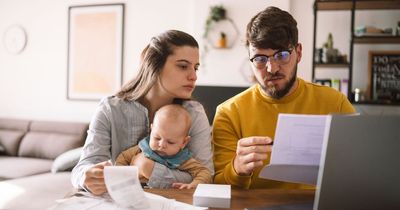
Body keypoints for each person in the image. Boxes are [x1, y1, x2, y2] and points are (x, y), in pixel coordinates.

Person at [212, 6, 356, 189]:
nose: (272, 68)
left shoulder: (335, 103)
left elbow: (360, 168)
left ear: (299, 53)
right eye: (260, 59)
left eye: (281, 55)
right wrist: (237, 168)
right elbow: (218, 190)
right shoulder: (228, 113)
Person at [71, 30, 214, 195]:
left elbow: (206, 175)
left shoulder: (194, 114)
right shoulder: (110, 109)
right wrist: (86, 177)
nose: (194, 76)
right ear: (155, 66)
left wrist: (149, 169)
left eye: (195, 68)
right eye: (183, 66)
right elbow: (82, 168)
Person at [115, 104, 212, 189]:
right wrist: (120, 177)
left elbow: (204, 172)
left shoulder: (182, 159)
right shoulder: (143, 147)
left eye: (170, 142)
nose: (161, 145)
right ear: (151, 130)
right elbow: (122, 158)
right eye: (157, 138)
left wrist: (194, 184)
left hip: (166, 195)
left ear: (184, 142)